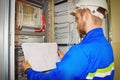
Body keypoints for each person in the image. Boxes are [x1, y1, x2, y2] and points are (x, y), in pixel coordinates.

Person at [22, 0, 114, 80]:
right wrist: (67, 61)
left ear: (85, 16)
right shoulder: (107, 46)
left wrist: (28, 70)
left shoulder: (81, 51)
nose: (77, 24)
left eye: (77, 18)